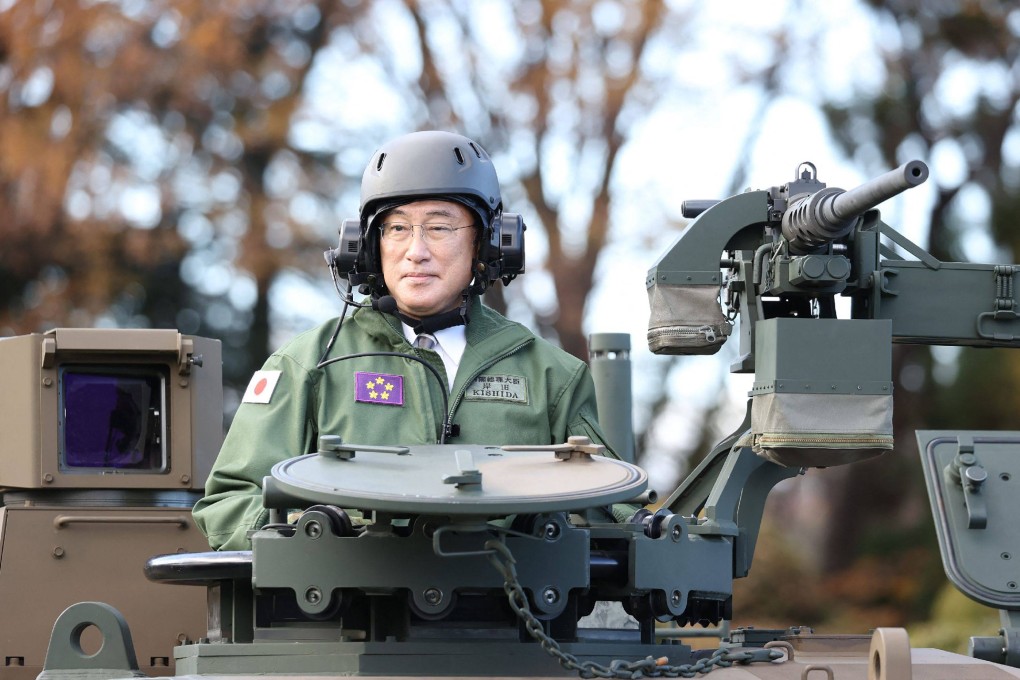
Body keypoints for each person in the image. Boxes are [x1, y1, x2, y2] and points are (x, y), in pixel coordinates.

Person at [193, 131, 617, 551]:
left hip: (508, 594)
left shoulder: (551, 376)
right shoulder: (308, 365)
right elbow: (230, 503)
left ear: (488, 241)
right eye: (397, 227)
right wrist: (312, 535)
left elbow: (612, 512)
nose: (416, 251)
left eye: (439, 227)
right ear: (365, 246)